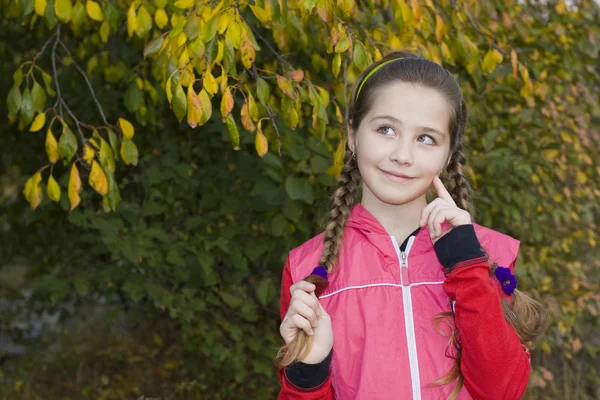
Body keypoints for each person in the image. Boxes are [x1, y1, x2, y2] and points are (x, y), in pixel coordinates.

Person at [274, 51, 548, 400]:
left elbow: (501, 391)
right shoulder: (307, 269)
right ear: (353, 134)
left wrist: (467, 269)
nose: (403, 155)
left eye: (426, 138)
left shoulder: (484, 257)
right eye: (386, 129)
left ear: (448, 155)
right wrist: (308, 371)